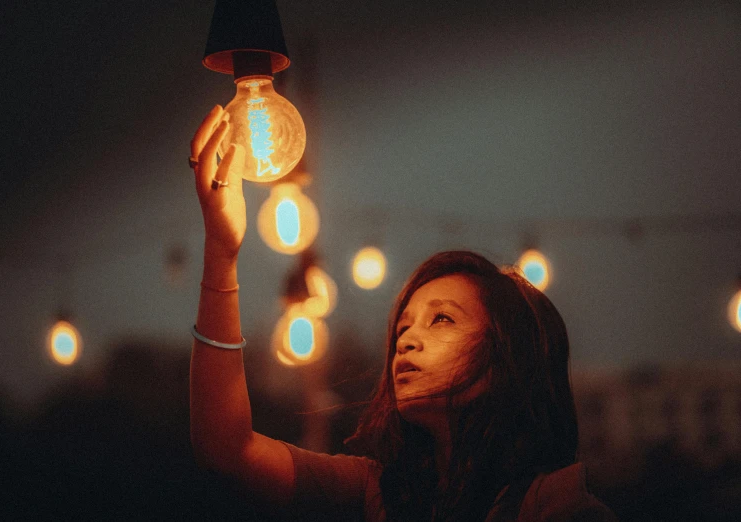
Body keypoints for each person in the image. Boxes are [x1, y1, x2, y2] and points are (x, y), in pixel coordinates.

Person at [188, 105, 618, 521]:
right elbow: (228, 450)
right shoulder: (378, 493)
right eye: (403, 328)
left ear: (504, 356)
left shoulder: (559, 509)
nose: (406, 341)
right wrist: (222, 252)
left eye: (442, 319)